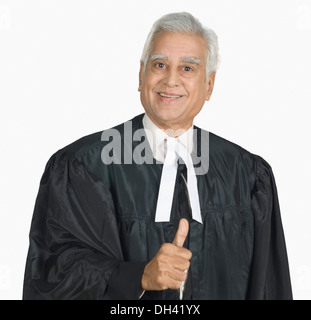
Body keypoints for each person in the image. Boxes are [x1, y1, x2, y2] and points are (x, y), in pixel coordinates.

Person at [23, 12, 292, 300]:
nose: (171, 79)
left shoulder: (246, 174)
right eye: (160, 64)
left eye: (188, 68)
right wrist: (137, 277)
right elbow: (55, 274)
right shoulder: (84, 167)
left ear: (209, 85)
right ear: (141, 76)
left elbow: (268, 287)